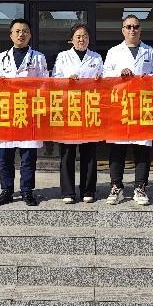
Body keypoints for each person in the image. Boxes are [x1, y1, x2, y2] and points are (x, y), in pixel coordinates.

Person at [102, 14, 153, 206]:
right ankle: (116, 187)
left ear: (140, 29)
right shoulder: (114, 52)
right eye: (128, 27)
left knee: (142, 149)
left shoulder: (149, 51)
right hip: (120, 106)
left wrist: (147, 77)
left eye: (136, 26)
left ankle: (140, 187)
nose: (132, 30)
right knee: (117, 149)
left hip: (142, 105)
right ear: (123, 30)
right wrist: (119, 74)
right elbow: (105, 76)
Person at [0, 18, 49, 207]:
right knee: (5, 156)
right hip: (7, 112)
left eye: (25, 31)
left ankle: (27, 191)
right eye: (17, 31)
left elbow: (45, 83)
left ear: (30, 35)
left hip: (29, 112)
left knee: (28, 156)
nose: (21, 34)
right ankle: (7, 191)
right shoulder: (2, 57)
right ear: (11, 35)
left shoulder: (38, 57)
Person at [52, 23, 104, 204]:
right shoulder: (63, 56)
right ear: (72, 39)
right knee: (67, 152)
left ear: (89, 39)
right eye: (78, 36)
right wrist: (67, 80)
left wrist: (99, 80)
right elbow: (55, 80)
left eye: (85, 36)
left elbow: (104, 79)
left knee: (89, 151)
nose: (82, 39)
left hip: (89, 107)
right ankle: (68, 191)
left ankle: (88, 190)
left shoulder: (96, 57)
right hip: (69, 107)